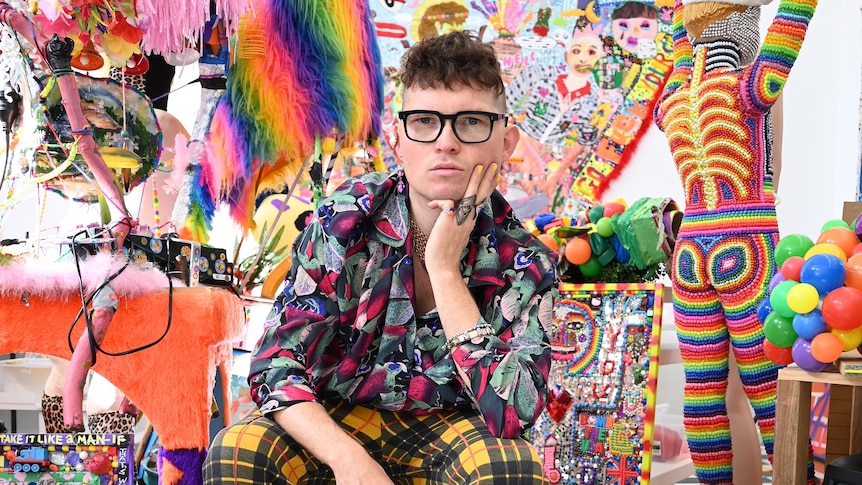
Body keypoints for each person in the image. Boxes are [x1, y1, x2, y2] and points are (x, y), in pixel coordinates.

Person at [203, 30, 558, 484]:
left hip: (452, 429)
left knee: (509, 467)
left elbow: (512, 413)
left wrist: (445, 273)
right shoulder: (345, 219)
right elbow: (275, 364)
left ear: (505, 142)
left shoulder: (527, 262)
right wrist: (349, 461)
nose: (446, 143)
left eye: (470, 122)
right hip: (340, 416)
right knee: (238, 450)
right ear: (397, 138)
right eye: (425, 122)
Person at [653, 1, 817, 484]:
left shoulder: (674, 104)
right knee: (769, 391)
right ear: (745, 33)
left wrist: (681, 16)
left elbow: (684, 51)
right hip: (747, 244)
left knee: (702, 398)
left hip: (690, 253)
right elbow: (792, 24)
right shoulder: (750, 88)